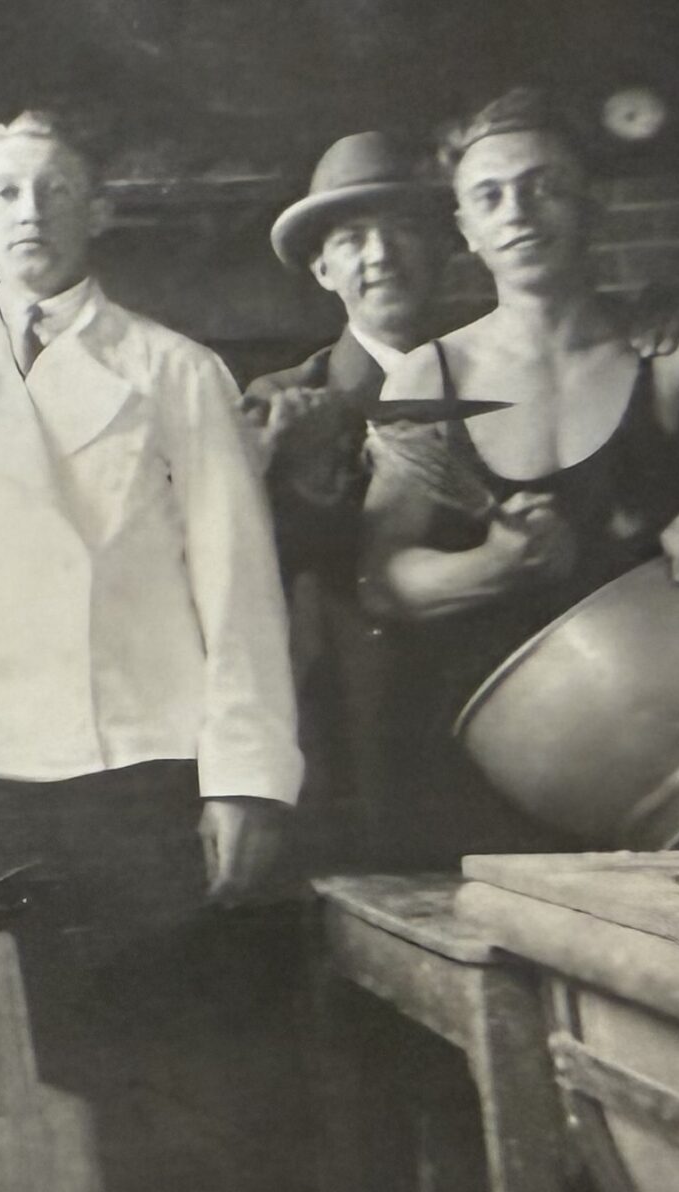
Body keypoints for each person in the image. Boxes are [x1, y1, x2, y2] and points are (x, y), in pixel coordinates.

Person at [0, 112, 314, 1192]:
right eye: (4, 193)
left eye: (55, 188)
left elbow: (235, 577)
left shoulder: (174, 369)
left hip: (141, 766)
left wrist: (243, 771)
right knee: (34, 1100)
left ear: (99, 212)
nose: (29, 210)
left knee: (185, 1097)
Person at [364, 87, 679, 861]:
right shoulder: (428, 377)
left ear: (592, 206)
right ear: (467, 230)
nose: (518, 212)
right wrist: (490, 567)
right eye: (490, 196)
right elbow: (382, 578)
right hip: (511, 764)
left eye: (544, 186)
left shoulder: (677, 345)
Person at [246, 131, 450, 869]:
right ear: (323, 269)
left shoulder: (507, 368)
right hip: (362, 725)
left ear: (442, 247)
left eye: (402, 230)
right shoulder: (277, 402)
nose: (381, 255)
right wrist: (301, 478)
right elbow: (251, 577)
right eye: (353, 239)